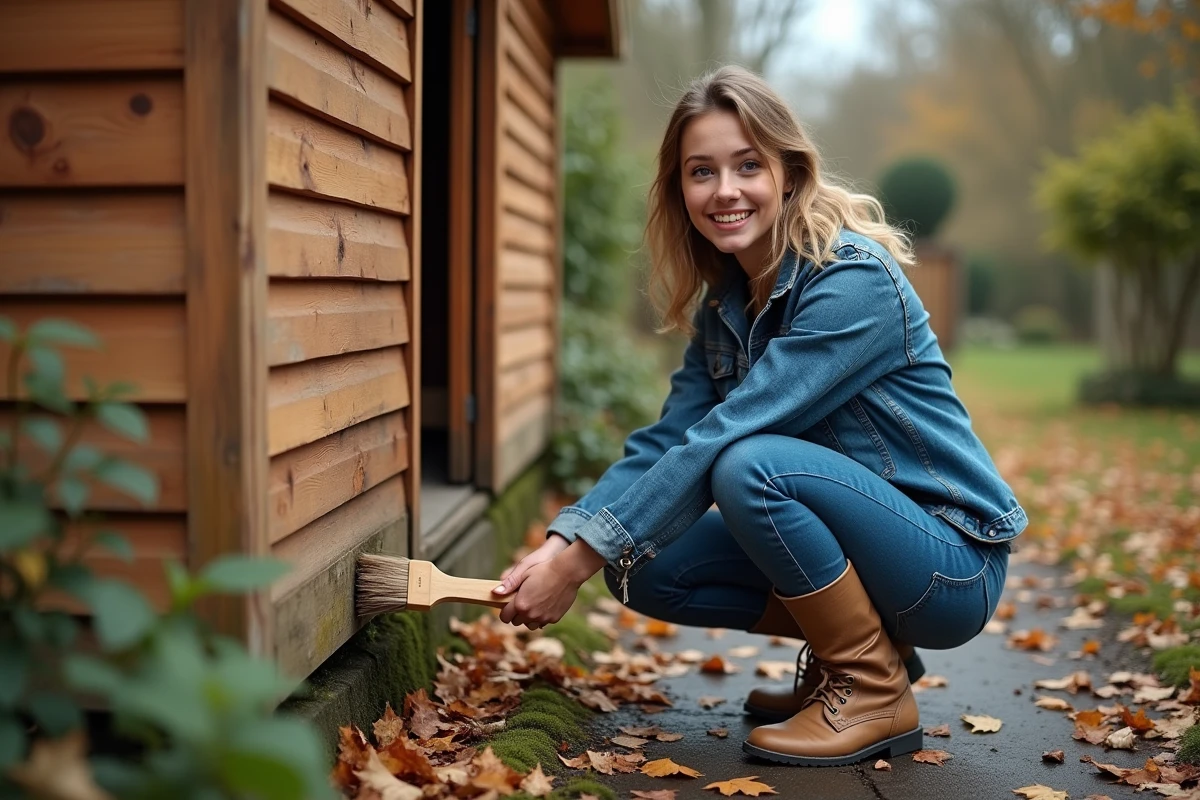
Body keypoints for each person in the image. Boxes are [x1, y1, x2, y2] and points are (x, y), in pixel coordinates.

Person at [490, 65, 1024, 768]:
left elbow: (726, 434)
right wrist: (570, 549)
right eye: (701, 172)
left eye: (748, 165)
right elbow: (665, 444)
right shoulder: (725, 308)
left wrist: (582, 554)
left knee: (749, 464)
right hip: (878, 557)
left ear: (789, 172)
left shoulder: (851, 280)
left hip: (949, 566)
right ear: (680, 192)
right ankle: (861, 654)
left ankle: (870, 686)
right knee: (639, 565)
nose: (726, 190)